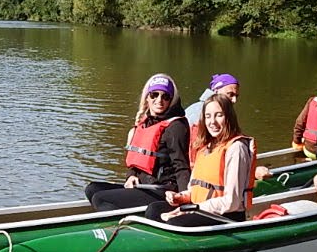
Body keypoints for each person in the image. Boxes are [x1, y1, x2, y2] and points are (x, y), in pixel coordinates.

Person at [85, 73, 192, 211]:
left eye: (165, 96)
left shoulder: (176, 127)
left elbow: (181, 166)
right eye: (154, 95)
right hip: (142, 186)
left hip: (162, 191)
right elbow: (135, 162)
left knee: (100, 198)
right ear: (147, 97)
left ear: (171, 100)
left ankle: (121, 223)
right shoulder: (146, 123)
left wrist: (184, 199)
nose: (159, 100)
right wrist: (131, 176)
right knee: (92, 189)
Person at [147, 94, 255, 227]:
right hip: (198, 207)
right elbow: (193, 190)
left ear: (229, 117)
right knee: (154, 210)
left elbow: (232, 202)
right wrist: (180, 197)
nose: (212, 122)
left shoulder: (236, 148)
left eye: (219, 115)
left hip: (225, 214)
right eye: (208, 116)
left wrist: (192, 209)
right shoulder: (205, 147)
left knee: (175, 222)